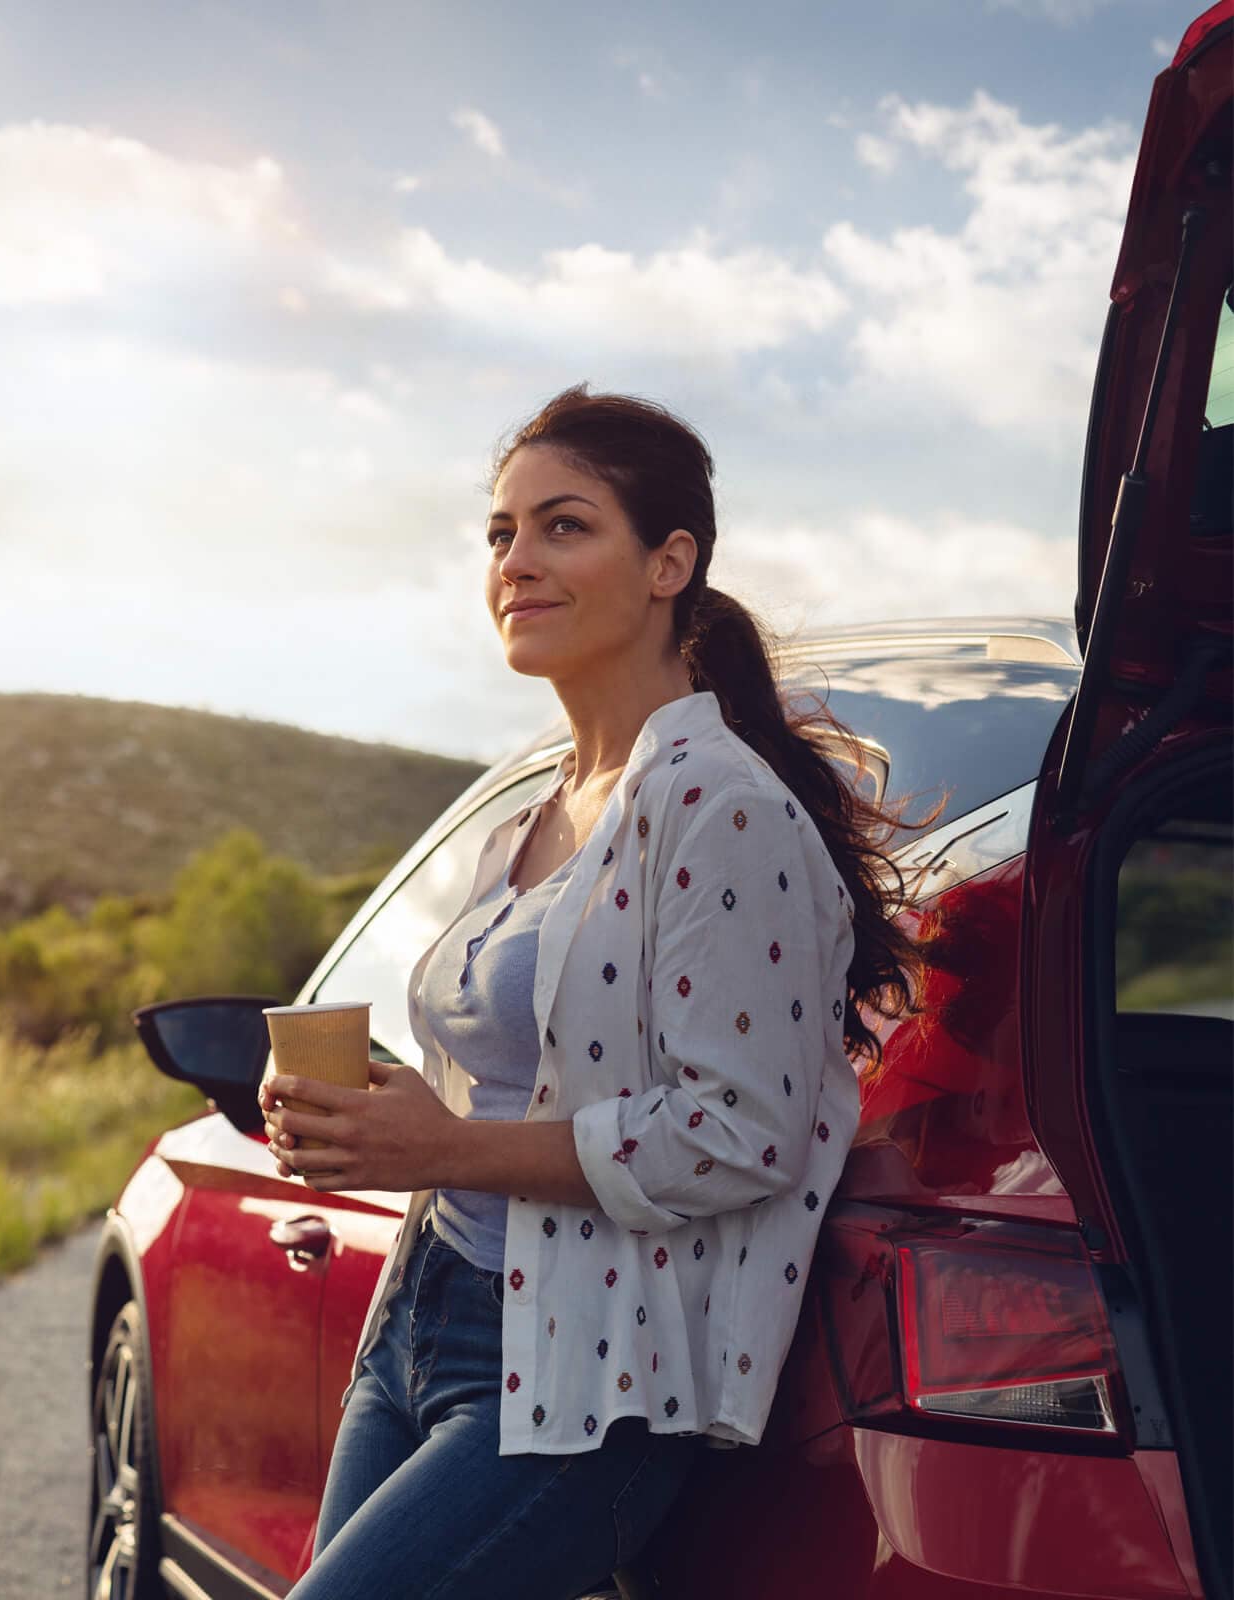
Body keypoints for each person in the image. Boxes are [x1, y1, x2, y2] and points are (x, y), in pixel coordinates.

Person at [255, 385, 935, 1600]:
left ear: (670, 561)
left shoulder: (723, 807)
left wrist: (453, 1144)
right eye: (501, 534)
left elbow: (738, 1137)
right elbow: (534, 1082)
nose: (516, 560)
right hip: (424, 1313)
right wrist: (389, 1112)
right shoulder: (532, 815)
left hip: (589, 1382)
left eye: (563, 527)